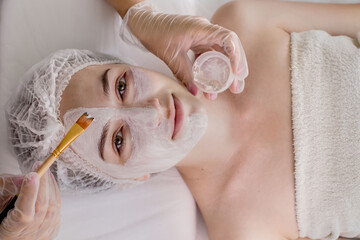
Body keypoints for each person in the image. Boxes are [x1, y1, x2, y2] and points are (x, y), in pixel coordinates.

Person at [3, 1, 360, 240]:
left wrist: (141, 16)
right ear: (129, 179)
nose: (150, 112)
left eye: (122, 85)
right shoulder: (243, 229)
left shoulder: (242, 25)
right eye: (118, 140)